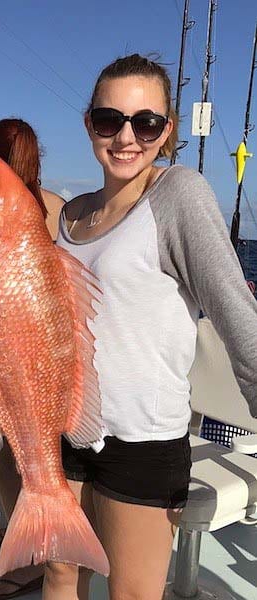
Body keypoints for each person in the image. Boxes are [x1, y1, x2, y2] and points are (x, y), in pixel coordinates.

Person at [45, 53, 257, 600]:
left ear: (168, 132)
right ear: (90, 123)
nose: (126, 138)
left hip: (141, 441)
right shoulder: (71, 215)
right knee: (61, 573)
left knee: (132, 592)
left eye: (146, 123)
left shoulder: (178, 195)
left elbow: (238, 316)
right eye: (109, 120)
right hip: (63, 428)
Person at [0, 118, 64, 600]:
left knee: (13, 461)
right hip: (41, 358)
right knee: (15, 455)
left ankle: (33, 560)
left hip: (6, 355)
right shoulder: (55, 207)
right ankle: (20, 536)